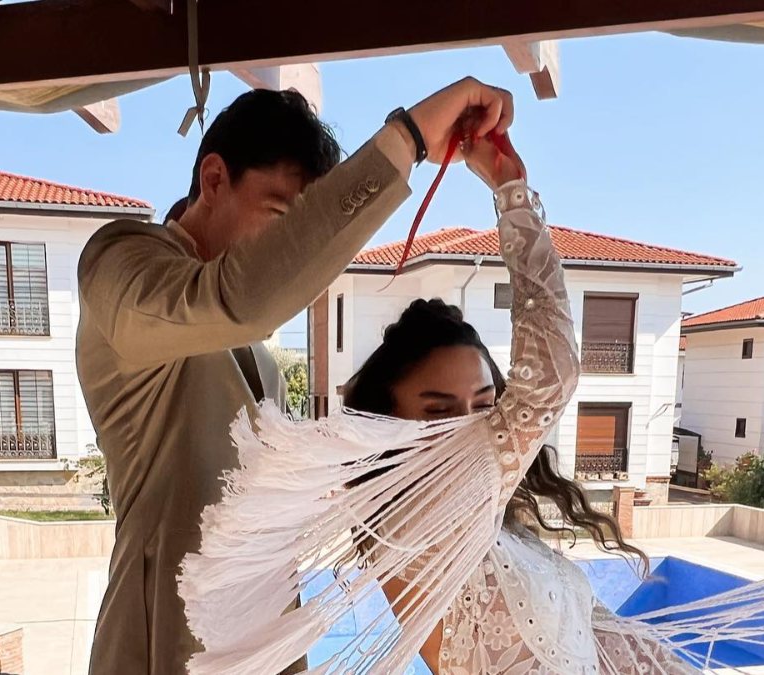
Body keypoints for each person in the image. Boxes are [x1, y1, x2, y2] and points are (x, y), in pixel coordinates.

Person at [180, 134, 764, 674]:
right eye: (438, 410)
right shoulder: (417, 525)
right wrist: (509, 189)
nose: (474, 427)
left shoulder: (482, 525)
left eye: (484, 403)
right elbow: (550, 371)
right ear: (390, 426)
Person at [75, 78, 515, 675]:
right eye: (281, 217)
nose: (292, 253)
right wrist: (409, 137)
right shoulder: (121, 266)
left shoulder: (257, 353)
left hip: (264, 639)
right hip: (163, 642)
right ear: (214, 179)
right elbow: (243, 297)